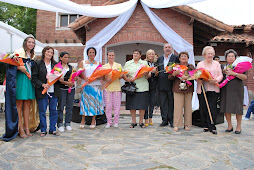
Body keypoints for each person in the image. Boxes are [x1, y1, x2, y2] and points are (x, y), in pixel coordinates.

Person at [32, 46, 60, 136]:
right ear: (44, 52)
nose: (50, 54)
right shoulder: (38, 63)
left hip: (53, 91)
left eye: (51, 52)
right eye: (48, 52)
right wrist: (43, 84)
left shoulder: (55, 65)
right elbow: (34, 78)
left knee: (53, 110)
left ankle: (53, 129)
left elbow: (58, 77)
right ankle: (43, 129)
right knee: (42, 111)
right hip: (42, 90)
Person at [196, 46, 223, 135]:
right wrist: (199, 79)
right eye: (209, 54)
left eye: (212, 54)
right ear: (204, 55)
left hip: (213, 87)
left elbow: (220, 75)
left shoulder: (217, 64)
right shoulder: (200, 64)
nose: (210, 55)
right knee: (203, 107)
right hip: (202, 88)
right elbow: (197, 75)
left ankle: (212, 125)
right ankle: (205, 124)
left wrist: (215, 80)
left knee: (212, 107)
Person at [220, 49, 247, 134]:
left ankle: (238, 127)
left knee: (238, 107)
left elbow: (245, 77)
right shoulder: (223, 67)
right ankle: (229, 125)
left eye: (232, 56)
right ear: (226, 58)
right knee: (226, 107)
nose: (231, 58)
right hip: (226, 89)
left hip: (237, 89)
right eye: (229, 56)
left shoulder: (240, 66)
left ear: (235, 58)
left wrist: (234, 73)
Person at [123, 49, 151, 128]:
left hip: (142, 86)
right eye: (134, 53)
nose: (135, 54)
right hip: (132, 87)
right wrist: (127, 79)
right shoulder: (128, 63)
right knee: (132, 105)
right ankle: (133, 121)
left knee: (142, 106)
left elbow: (148, 76)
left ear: (140, 55)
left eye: (137, 53)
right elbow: (123, 74)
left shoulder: (144, 63)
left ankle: (141, 122)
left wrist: (146, 74)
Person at [168, 52, 194, 132]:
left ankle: (187, 124)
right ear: (179, 58)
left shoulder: (191, 66)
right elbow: (169, 77)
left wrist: (188, 77)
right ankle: (176, 124)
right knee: (177, 107)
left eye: (185, 56)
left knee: (188, 107)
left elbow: (195, 76)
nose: (183, 57)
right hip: (177, 89)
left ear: (188, 58)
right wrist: (174, 74)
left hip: (188, 89)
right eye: (181, 56)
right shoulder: (175, 66)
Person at [79, 47, 104, 129]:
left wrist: (97, 77)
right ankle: (83, 120)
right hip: (86, 85)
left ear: (95, 54)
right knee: (85, 103)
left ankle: (93, 120)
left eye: (93, 52)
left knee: (94, 103)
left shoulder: (98, 63)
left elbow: (101, 75)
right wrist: (84, 77)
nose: (91, 54)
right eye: (90, 52)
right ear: (87, 53)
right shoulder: (83, 62)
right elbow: (79, 73)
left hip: (96, 85)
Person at [157, 43, 179, 127]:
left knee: (171, 103)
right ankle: (164, 120)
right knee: (163, 103)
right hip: (161, 84)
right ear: (163, 49)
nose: (167, 49)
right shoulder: (159, 59)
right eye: (166, 47)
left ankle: (172, 120)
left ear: (172, 49)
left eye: (169, 47)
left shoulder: (175, 58)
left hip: (171, 84)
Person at [102, 50, 122, 128]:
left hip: (116, 87)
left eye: (112, 55)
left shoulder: (118, 65)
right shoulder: (104, 66)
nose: (111, 57)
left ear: (114, 56)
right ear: (107, 56)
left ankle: (116, 122)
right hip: (107, 87)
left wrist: (117, 75)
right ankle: (109, 122)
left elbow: (121, 76)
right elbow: (102, 77)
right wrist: (106, 79)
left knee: (117, 106)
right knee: (108, 106)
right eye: (109, 55)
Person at [57, 52, 75, 132]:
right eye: (65, 57)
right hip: (62, 89)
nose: (66, 59)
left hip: (71, 89)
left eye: (68, 57)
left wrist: (76, 78)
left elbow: (75, 76)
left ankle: (68, 122)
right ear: (61, 58)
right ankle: (60, 123)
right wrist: (67, 83)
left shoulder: (71, 67)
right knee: (61, 106)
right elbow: (59, 80)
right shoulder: (58, 67)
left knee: (70, 106)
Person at [144, 49, 157, 126]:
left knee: (152, 102)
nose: (151, 55)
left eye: (152, 54)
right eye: (149, 54)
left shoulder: (156, 63)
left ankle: (150, 118)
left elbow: (158, 74)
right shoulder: (144, 63)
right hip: (146, 83)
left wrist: (155, 72)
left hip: (154, 84)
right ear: (147, 55)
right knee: (146, 102)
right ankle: (145, 118)